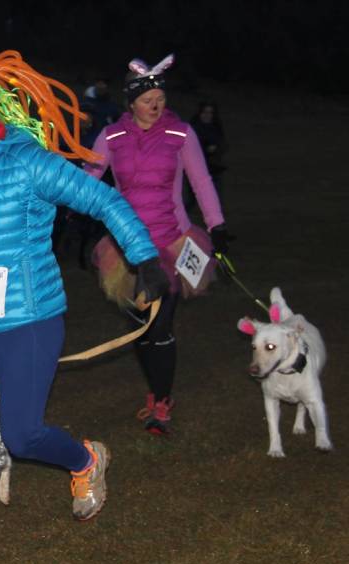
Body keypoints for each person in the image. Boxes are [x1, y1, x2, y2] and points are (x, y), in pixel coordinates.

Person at [0, 50, 167, 564]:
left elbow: (106, 202)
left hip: (30, 321)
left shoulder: (31, 163)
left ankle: (86, 459)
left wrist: (143, 257)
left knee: (21, 435)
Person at [84, 55, 230, 435]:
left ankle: (162, 402)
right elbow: (89, 177)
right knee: (140, 326)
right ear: (131, 102)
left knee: (160, 324)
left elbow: (200, 182)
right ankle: (155, 391)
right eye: (149, 98)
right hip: (127, 246)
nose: (156, 103)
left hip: (173, 242)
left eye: (161, 97)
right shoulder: (112, 137)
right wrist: (62, 197)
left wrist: (217, 225)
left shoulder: (181, 133)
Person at [189, 101, 227, 202]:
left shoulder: (216, 127)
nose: (207, 115)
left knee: (215, 199)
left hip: (213, 168)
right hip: (196, 169)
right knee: (192, 199)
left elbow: (222, 145)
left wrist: (216, 149)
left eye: (210, 113)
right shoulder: (193, 128)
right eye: (205, 112)